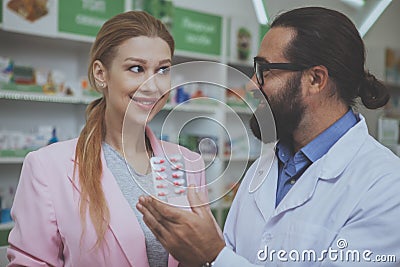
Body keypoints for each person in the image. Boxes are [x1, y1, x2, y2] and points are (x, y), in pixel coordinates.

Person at [137, 7, 400, 266]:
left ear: (316, 80)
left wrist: (213, 255)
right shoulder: (266, 167)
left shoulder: (385, 186)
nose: (252, 84)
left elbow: (223, 257)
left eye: (265, 70)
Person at [7, 10, 206, 267]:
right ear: (101, 74)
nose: (153, 86)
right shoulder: (47, 167)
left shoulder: (189, 163)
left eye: (162, 70)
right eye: (136, 68)